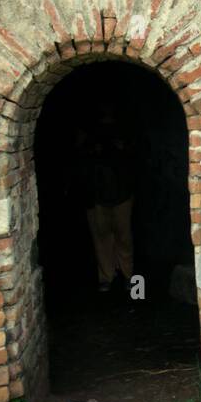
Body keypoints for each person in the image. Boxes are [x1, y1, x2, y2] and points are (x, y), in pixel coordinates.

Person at [72, 101, 137, 293]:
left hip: (121, 189)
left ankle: (128, 275)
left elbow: (136, 153)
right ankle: (107, 276)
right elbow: (78, 157)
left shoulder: (126, 128)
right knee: (101, 236)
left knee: (123, 235)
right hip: (97, 190)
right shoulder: (87, 130)